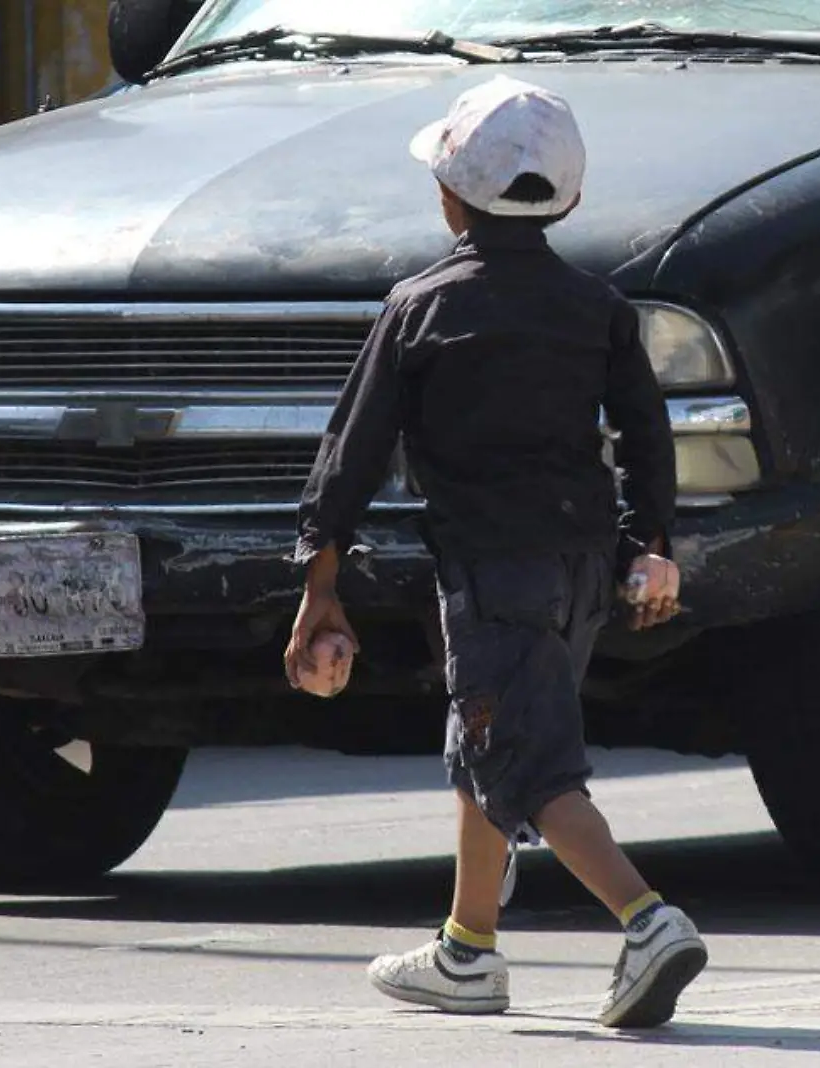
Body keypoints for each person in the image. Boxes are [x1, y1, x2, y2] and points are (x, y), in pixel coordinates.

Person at [284, 75, 707, 1029]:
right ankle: (467, 950)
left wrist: (321, 586)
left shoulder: (420, 306)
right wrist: (653, 546)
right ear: (572, 199)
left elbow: (349, 456)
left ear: (447, 195)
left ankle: (650, 922)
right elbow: (646, 434)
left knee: (527, 758)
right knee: (491, 738)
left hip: (493, 570)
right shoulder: (599, 307)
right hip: (586, 571)